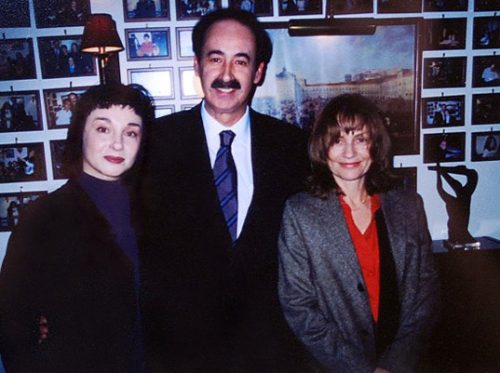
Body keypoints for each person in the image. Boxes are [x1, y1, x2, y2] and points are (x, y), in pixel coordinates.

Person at [140, 8, 311, 373]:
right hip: (180, 355)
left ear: (259, 72)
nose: (227, 75)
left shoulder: (293, 148)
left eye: (241, 61)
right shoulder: (153, 144)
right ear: (197, 65)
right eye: (216, 59)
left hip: (271, 354)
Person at [278, 94, 440, 372]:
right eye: (338, 140)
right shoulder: (299, 214)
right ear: (322, 147)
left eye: (361, 139)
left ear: (376, 146)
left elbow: (425, 296)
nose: (349, 152)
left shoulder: (409, 207)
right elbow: (299, 307)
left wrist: (394, 364)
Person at [0, 83, 155, 372]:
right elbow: (14, 328)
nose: (118, 144)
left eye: (131, 132)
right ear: (80, 132)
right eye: (103, 129)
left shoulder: (161, 213)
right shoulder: (43, 218)